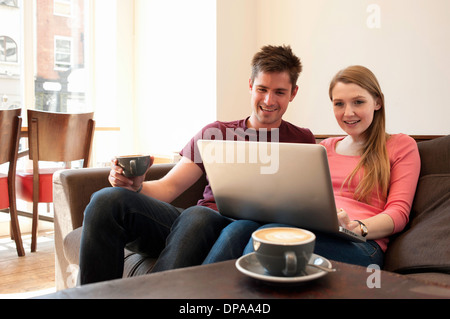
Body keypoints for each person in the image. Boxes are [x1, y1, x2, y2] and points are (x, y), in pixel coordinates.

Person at [78, 45, 315, 284]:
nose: (268, 100)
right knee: (106, 200)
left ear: (293, 93)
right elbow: (169, 188)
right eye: (262, 89)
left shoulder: (303, 140)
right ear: (251, 85)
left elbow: (308, 201)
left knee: (199, 217)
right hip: (194, 224)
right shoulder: (217, 132)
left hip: (242, 232)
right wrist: (136, 186)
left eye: (279, 92)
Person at [200, 65, 421, 268]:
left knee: (267, 239)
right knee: (239, 229)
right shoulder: (323, 148)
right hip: (309, 230)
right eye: (339, 104)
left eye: (358, 102)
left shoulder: (401, 146)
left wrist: (355, 226)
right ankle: (195, 297)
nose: (348, 113)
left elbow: (398, 213)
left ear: (377, 102)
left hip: (361, 244)